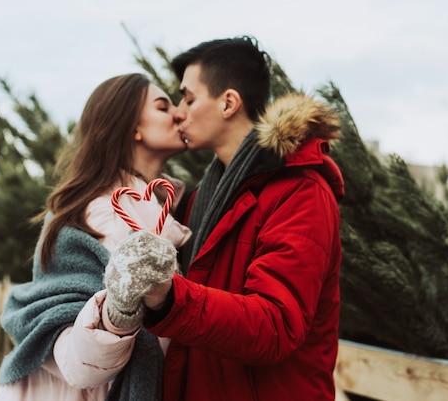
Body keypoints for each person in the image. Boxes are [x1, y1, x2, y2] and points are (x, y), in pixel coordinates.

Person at [138, 36, 344, 400]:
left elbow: (276, 325)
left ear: (228, 102)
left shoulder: (301, 193)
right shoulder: (202, 198)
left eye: (189, 98)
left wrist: (171, 299)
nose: (179, 112)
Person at [0, 73, 191, 401]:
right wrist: (120, 309)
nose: (178, 113)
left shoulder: (161, 208)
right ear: (133, 128)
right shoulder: (103, 212)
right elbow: (80, 364)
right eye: (162, 106)